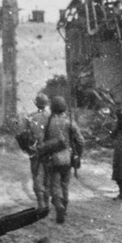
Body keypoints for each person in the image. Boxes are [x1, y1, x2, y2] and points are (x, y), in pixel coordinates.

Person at [35, 96, 85, 225]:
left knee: (54, 185)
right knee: (65, 184)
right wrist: (78, 154)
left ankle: (58, 204)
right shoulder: (70, 121)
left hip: (53, 159)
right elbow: (80, 141)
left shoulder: (48, 122)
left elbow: (41, 141)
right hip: (67, 159)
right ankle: (64, 208)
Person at [17, 91, 50, 210]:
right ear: (46, 103)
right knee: (47, 176)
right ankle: (46, 201)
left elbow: (22, 134)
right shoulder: (51, 118)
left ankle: (40, 202)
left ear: (36, 104)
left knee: (35, 176)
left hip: (34, 150)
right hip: (47, 150)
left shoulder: (30, 117)